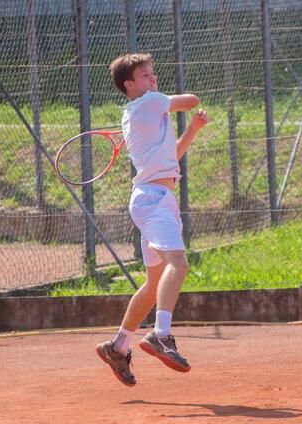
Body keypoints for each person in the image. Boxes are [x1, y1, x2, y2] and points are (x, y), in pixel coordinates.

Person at [96, 53, 208, 387]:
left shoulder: (139, 112)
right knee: (179, 264)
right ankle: (160, 334)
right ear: (128, 85)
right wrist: (180, 105)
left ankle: (117, 346)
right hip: (154, 201)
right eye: (145, 75)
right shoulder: (150, 103)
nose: (153, 79)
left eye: (153, 74)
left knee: (152, 283)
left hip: (153, 199)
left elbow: (171, 155)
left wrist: (194, 129)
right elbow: (192, 99)